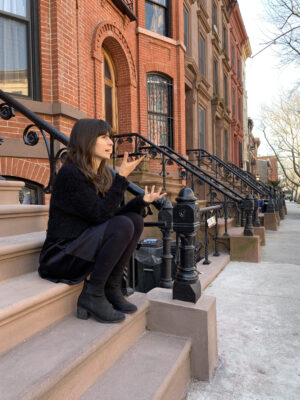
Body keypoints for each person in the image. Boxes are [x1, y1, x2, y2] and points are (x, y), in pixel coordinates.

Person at [38, 119, 166, 323]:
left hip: (81, 246)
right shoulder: (71, 173)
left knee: (135, 220)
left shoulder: (101, 174)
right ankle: (93, 294)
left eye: (110, 137)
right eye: (104, 137)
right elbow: (100, 216)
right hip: (61, 256)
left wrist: (140, 201)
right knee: (123, 224)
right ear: (87, 140)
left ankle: (112, 286)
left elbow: (109, 215)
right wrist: (122, 178)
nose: (111, 143)